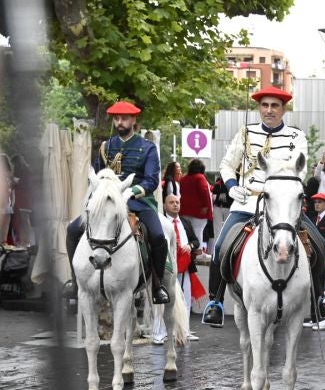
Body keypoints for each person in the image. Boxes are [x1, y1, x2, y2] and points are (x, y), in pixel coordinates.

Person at [201, 85, 325, 327]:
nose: (269, 110)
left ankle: (320, 299)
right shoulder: (245, 133)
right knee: (221, 246)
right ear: (259, 108)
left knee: (320, 244)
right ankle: (216, 302)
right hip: (247, 202)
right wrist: (232, 186)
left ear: (283, 109)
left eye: (275, 106)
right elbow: (226, 164)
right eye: (265, 105)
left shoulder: (296, 137)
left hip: (283, 205)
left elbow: (300, 170)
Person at [63, 101, 169, 304]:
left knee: (157, 236)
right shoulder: (106, 146)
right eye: (117, 118)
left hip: (137, 201)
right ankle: (75, 280)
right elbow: (95, 173)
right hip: (107, 202)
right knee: (72, 229)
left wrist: (132, 191)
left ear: (134, 120)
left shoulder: (147, 148)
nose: (120, 122)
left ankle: (157, 285)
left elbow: (152, 180)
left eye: (124, 118)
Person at [151, 192, 201, 343]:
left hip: (185, 267)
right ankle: (159, 332)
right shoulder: (160, 223)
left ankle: (184, 331)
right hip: (167, 267)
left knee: (185, 300)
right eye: (171, 202)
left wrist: (190, 246)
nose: (175, 205)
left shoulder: (185, 222)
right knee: (163, 299)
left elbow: (196, 241)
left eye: (177, 202)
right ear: (165, 205)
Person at [305, 193, 325, 330]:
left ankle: (324, 318)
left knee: (321, 290)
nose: (316, 204)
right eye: (315, 202)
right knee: (314, 289)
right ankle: (315, 318)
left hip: (324, 260)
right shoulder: (312, 219)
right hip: (313, 260)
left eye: (319, 202)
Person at [178, 159, 213, 253]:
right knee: (198, 231)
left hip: (184, 210)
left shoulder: (183, 178)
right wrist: (206, 206)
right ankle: (198, 251)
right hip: (199, 211)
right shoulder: (200, 177)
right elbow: (204, 191)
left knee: (186, 231)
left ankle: (187, 250)